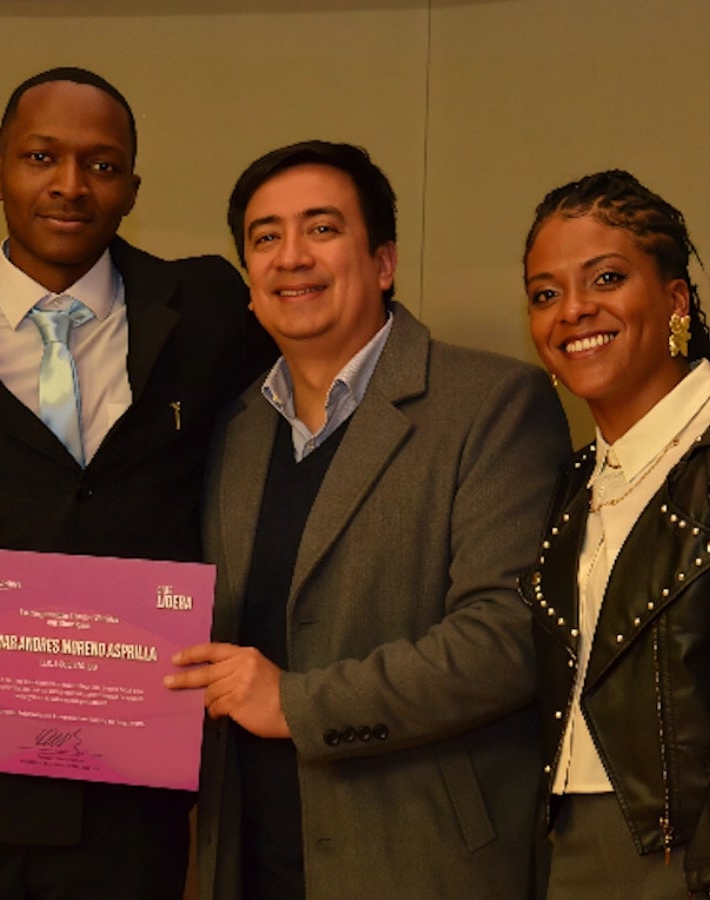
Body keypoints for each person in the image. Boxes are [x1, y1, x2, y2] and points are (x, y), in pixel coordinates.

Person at [0, 67, 271, 899]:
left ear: (131, 188)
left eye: (102, 165)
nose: (69, 186)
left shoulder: (209, 311)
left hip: (131, 783)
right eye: (41, 156)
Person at [165, 140, 571, 899]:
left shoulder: (491, 404)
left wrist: (295, 703)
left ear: (383, 262)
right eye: (265, 237)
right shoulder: (234, 429)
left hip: (420, 862)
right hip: (250, 863)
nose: (291, 257)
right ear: (249, 281)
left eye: (321, 229)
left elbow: (507, 637)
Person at [520, 170, 710, 899]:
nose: (574, 310)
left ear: (674, 300)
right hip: (575, 844)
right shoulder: (576, 485)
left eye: (605, 277)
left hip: (686, 858)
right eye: (545, 293)